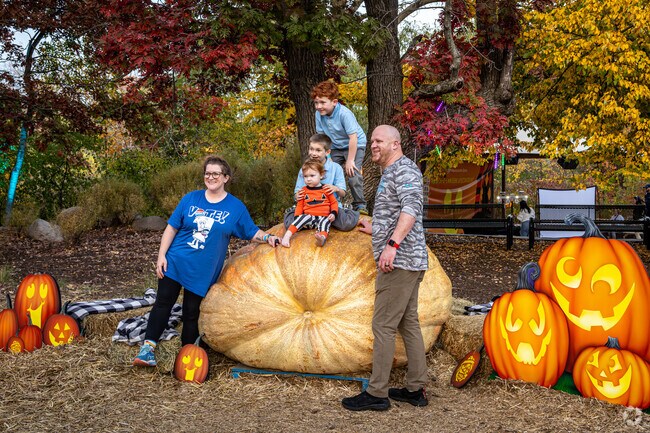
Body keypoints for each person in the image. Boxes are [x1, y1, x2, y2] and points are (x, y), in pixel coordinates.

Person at [133, 155, 280, 367]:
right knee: (163, 303)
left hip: (203, 269)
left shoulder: (235, 207)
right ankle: (147, 350)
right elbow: (172, 227)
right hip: (176, 260)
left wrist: (268, 238)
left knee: (192, 312)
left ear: (226, 178)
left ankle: (188, 356)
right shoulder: (190, 199)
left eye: (215, 174)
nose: (210, 177)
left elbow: (250, 231)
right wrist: (161, 256)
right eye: (207, 173)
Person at [341, 125, 429, 412]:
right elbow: (396, 212)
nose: (374, 145)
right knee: (408, 323)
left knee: (383, 325)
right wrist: (375, 228)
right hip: (409, 259)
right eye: (373, 140)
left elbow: (411, 209)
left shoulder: (404, 169)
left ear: (395, 144)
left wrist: (392, 244)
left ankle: (377, 393)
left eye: (379, 140)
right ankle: (416, 389)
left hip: (400, 262)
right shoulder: (390, 173)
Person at [312, 81, 368, 214]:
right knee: (326, 170)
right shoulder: (318, 115)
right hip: (335, 146)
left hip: (354, 144)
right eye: (316, 103)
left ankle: (360, 205)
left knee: (352, 173)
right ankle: (331, 203)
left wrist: (350, 160)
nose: (319, 106)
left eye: (323, 102)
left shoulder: (344, 114)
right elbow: (322, 137)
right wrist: (328, 157)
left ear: (334, 102)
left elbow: (353, 138)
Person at [284, 134, 359, 231]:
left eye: (318, 150)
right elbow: (297, 192)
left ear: (327, 152)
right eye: (311, 149)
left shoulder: (336, 168)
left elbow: (343, 193)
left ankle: (347, 210)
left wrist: (336, 188)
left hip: (329, 208)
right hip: (308, 208)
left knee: (345, 224)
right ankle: (312, 220)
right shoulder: (304, 169)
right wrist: (297, 196)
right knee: (289, 224)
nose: (313, 153)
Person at [281, 160, 338, 247]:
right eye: (305, 176)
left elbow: (334, 202)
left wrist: (333, 213)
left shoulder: (326, 189)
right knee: (302, 218)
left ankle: (321, 238)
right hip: (309, 218)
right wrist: (297, 218)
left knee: (325, 222)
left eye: (312, 175)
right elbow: (299, 206)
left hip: (323, 217)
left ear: (321, 175)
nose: (308, 179)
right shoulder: (303, 191)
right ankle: (287, 235)